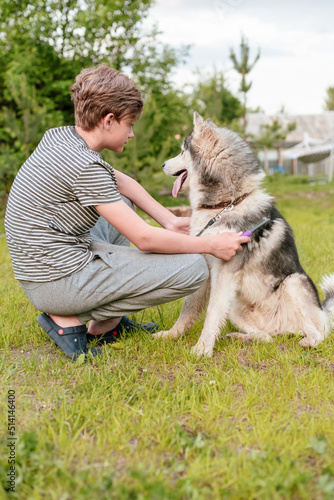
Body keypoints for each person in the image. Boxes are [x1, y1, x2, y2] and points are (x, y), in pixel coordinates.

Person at [5, 64, 250, 360]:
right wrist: (211, 245)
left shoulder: (62, 138)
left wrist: (170, 221)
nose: (132, 134)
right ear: (109, 120)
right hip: (53, 280)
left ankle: (106, 326)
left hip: (44, 261)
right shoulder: (84, 166)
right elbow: (144, 239)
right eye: (130, 124)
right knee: (193, 269)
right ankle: (64, 317)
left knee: (125, 204)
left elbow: (121, 182)